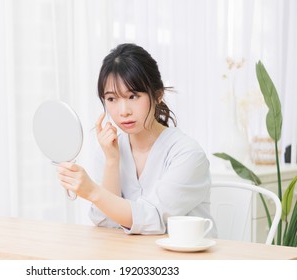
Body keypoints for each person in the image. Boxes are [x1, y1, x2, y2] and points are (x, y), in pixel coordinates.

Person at [56, 43, 216, 236]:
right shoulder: (109, 150)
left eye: (133, 96)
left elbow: (153, 218)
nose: (123, 111)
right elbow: (106, 222)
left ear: (157, 96)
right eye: (112, 99)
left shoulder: (188, 154)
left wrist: (92, 191)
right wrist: (112, 162)